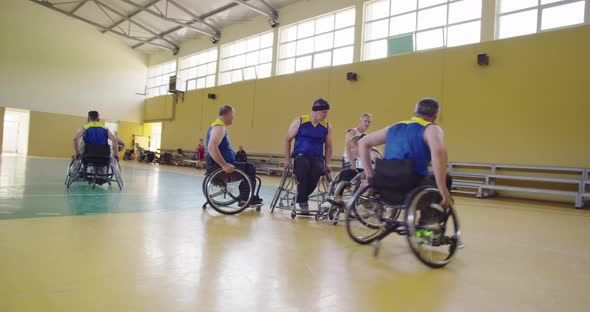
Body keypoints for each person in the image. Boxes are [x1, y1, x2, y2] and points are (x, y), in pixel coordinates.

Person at [357, 98, 452, 224]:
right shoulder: (431, 129)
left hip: (384, 188)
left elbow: (362, 142)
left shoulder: (393, 128)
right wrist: (443, 190)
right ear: (435, 116)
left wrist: (369, 175)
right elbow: (439, 154)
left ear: (415, 113)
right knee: (446, 178)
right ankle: (428, 221)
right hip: (409, 190)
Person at [206, 105, 263, 205]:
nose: (233, 117)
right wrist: (224, 165)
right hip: (219, 166)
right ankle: (245, 199)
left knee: (246, 166)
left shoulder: (217, 126)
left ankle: (245, 197)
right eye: (233, 115)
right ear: (228, 114)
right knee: (250, 168)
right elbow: (211, 147)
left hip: (216, 165)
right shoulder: (219, 127)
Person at [284, 98, 333, 214]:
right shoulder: (300, 121)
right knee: (304, 168)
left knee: (317, 171)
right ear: (316, 111)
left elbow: (329, 147)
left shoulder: (327, 126)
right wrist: (287, 160)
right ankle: (303, 201)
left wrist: (328, 163)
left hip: (317, 158)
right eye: (324, 112)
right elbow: (287, 140)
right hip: (301, 156)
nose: (326, 115)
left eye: (327, 112)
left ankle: (301, 198)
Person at [72, 111, 120, 185]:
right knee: (103, 165)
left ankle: (79, 171)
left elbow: (75, 138)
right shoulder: (105, 128)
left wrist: (77, 153)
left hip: (88, 156)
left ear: (88, 118)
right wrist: (116, 155)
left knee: (81, 149)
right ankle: (100, 176)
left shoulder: (85, 127)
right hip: (104, 157)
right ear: (98, 119)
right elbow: (114, 140)